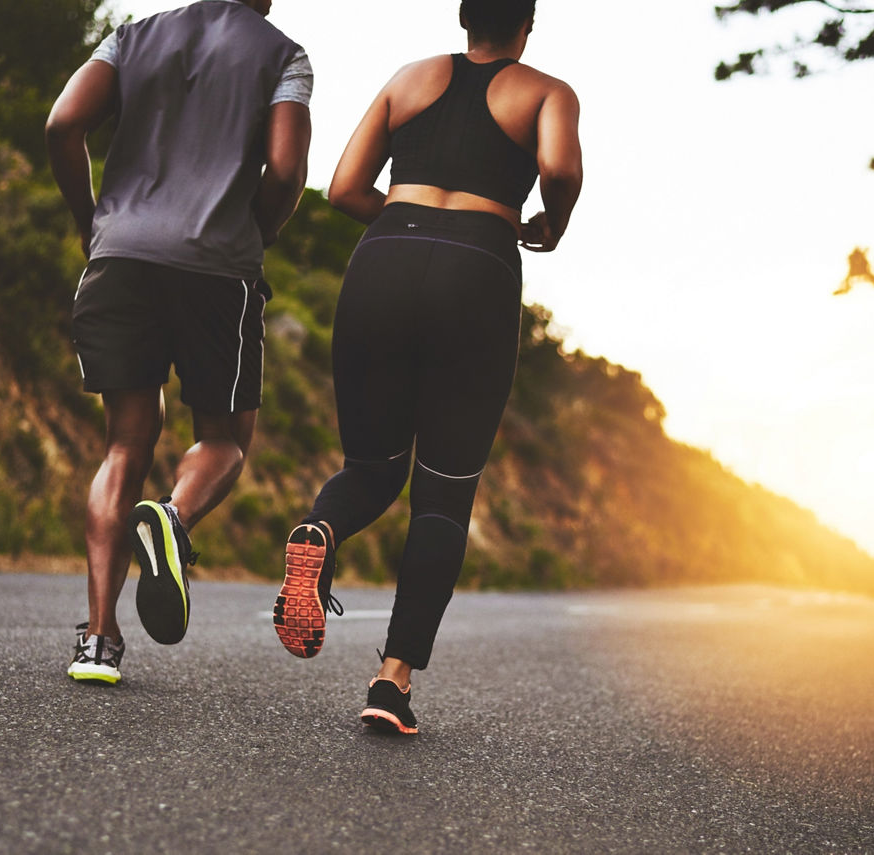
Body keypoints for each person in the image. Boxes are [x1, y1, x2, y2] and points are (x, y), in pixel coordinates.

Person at [273, 0, 582, 734]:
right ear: (526, 26)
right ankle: (391, 682)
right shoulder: (545, 92)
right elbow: (560, 167)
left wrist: (409, 220)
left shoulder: (409, 78)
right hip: (477, 268)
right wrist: (552, 222)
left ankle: (320, 528)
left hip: (383, 257)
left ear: (464, 17)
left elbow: (344, 188)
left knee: (373, 465)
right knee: (442, 493)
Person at [46, 0, 312, 685]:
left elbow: (63, 121)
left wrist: (92, 220)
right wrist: (255, 235)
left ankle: (99, 641)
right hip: (216, 270)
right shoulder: (282, 56)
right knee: (224, 437)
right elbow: (284, 172)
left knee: (124, 443)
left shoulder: (132, 36)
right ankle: (171, 515)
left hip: (120, 256)